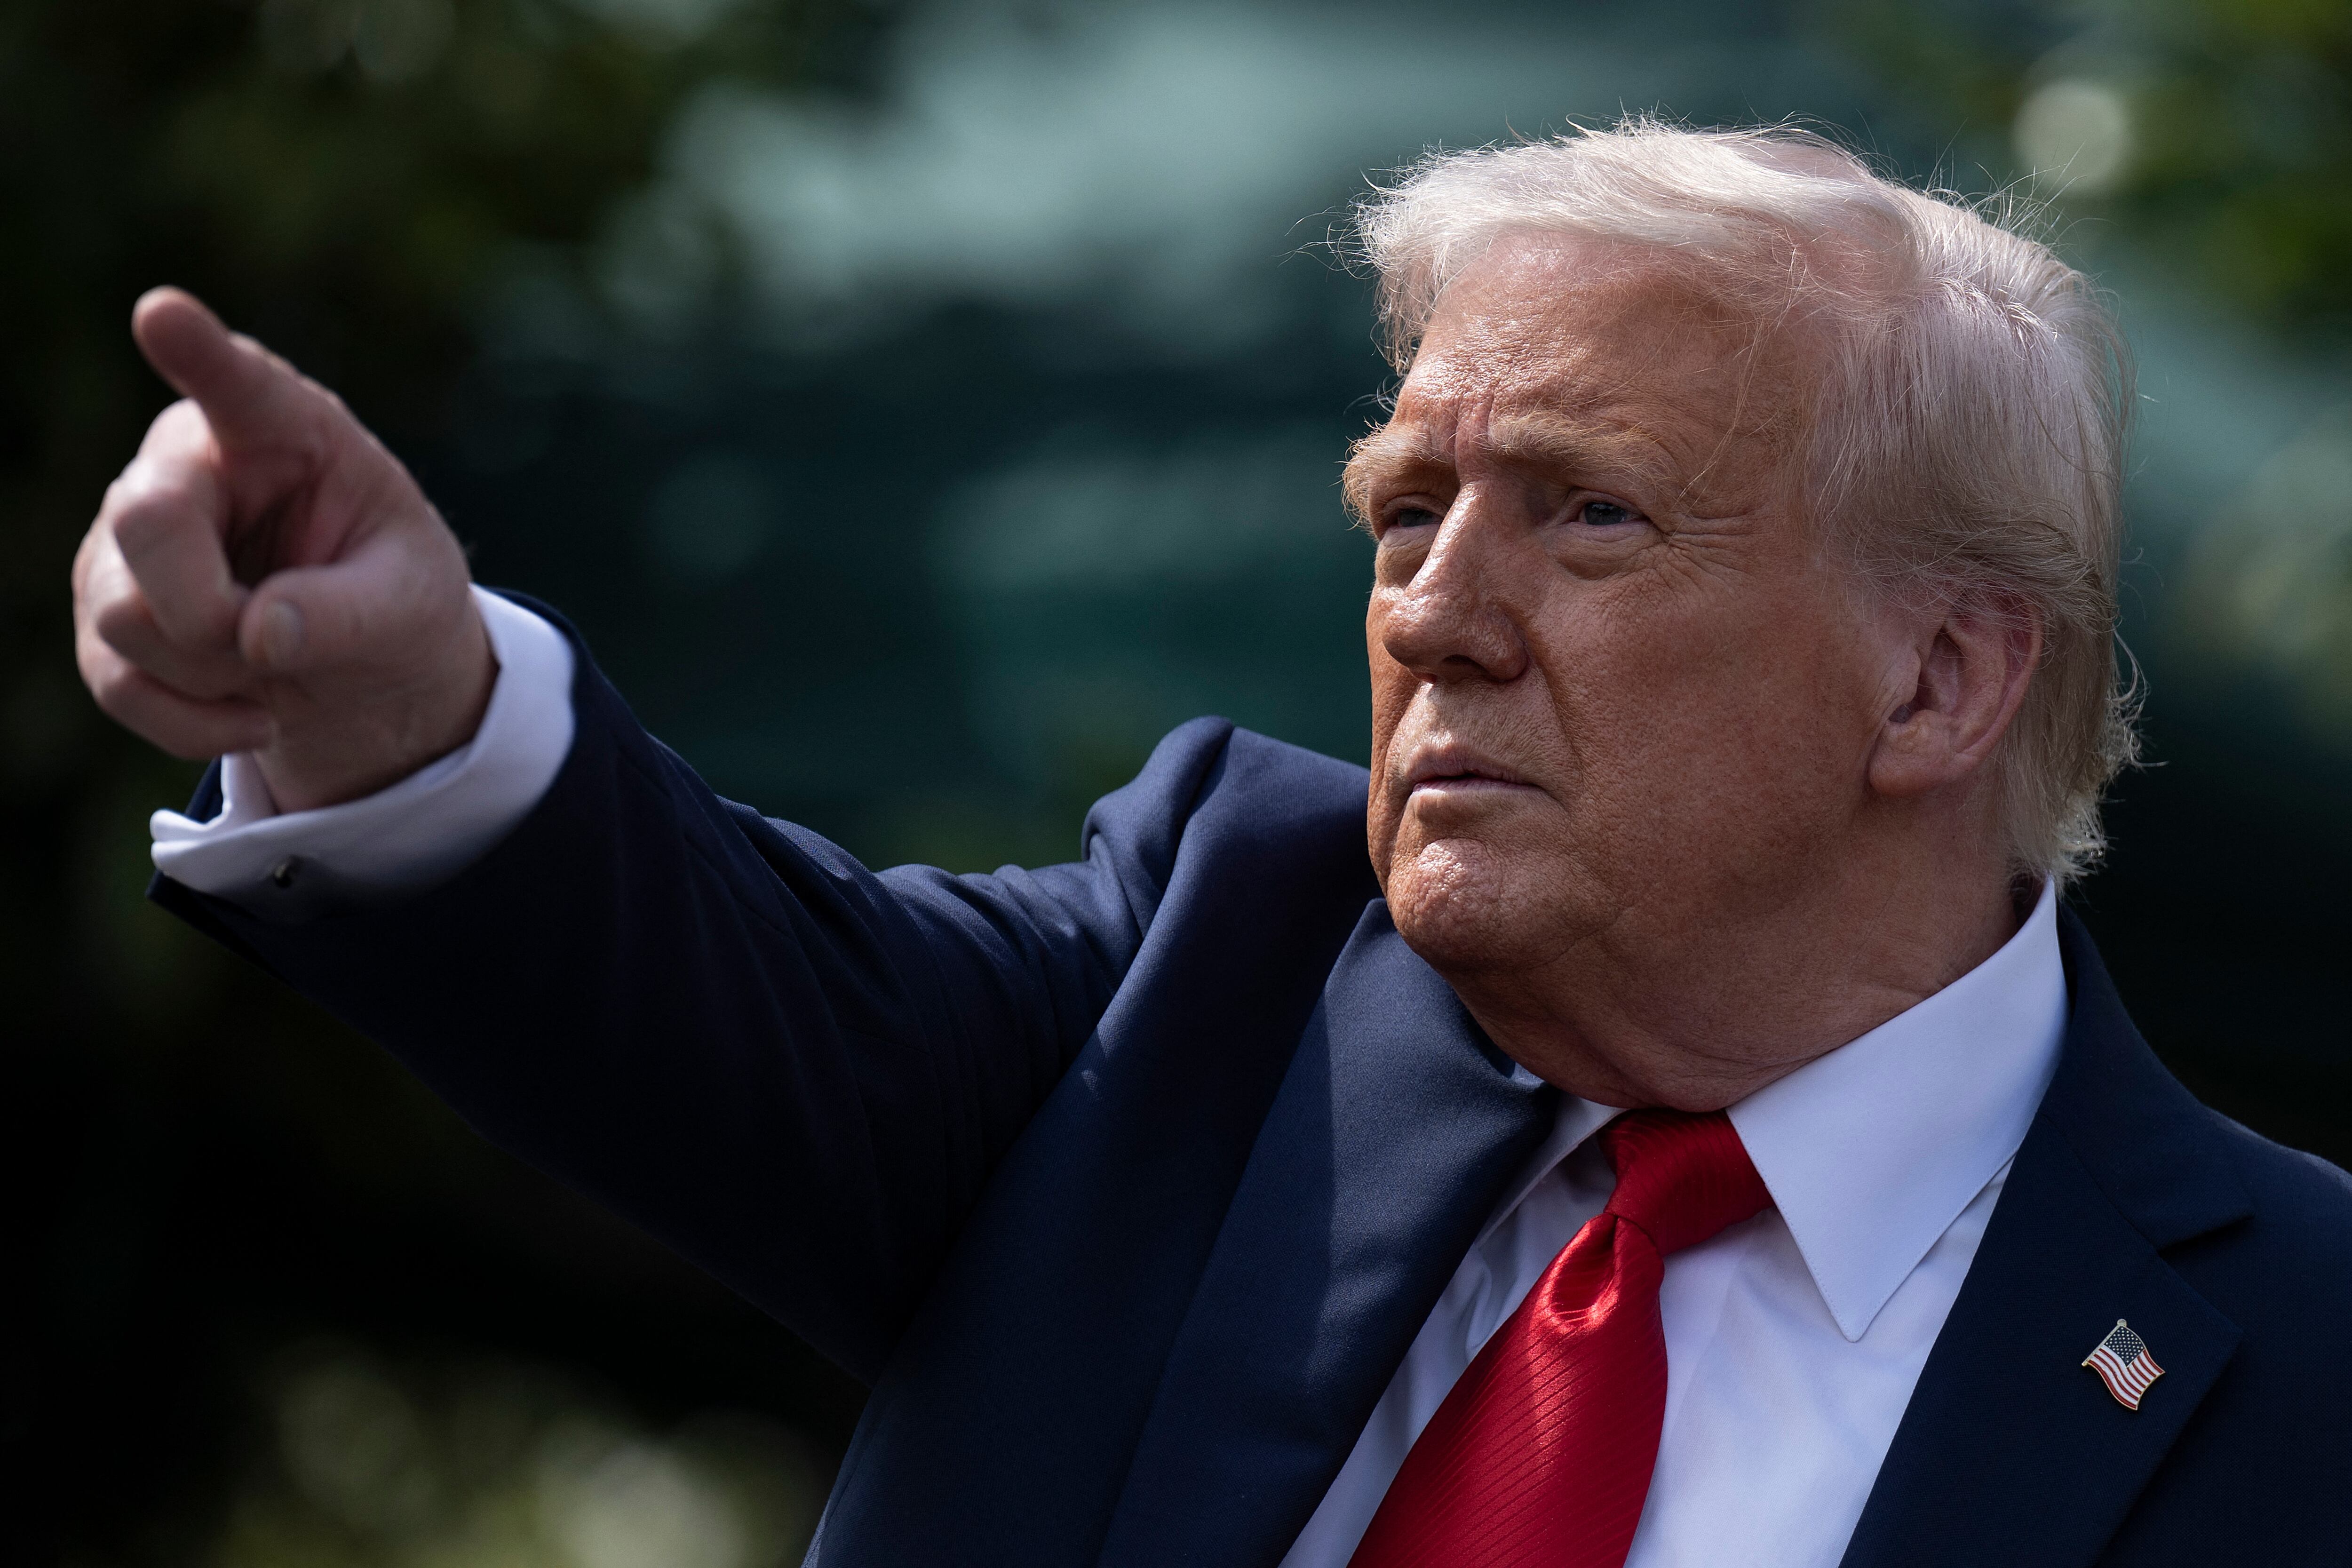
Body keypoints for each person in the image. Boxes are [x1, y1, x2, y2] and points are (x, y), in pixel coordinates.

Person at [72, 121, 2352, 1567]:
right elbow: (698, 985)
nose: (1432, 616)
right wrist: (400, 709)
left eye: (1591, 515)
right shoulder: (1208, 983)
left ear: (1937, 683)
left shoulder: (2298, 1355)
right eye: (1402, 511)